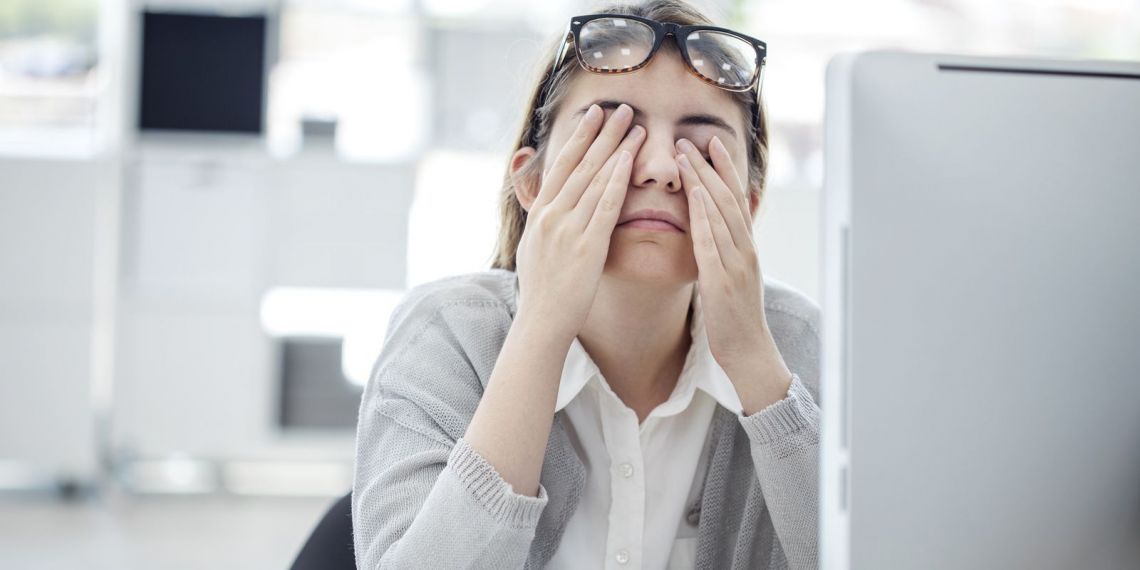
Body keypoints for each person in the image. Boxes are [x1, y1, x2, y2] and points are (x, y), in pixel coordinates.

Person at [352, 1, 820, 568]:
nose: (660, 168)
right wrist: (542, 326)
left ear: (747, 204)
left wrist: (753, 360)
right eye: (613, 133)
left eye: (699, 148)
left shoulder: (803, 346)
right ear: (532, 182)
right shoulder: (446, 334)